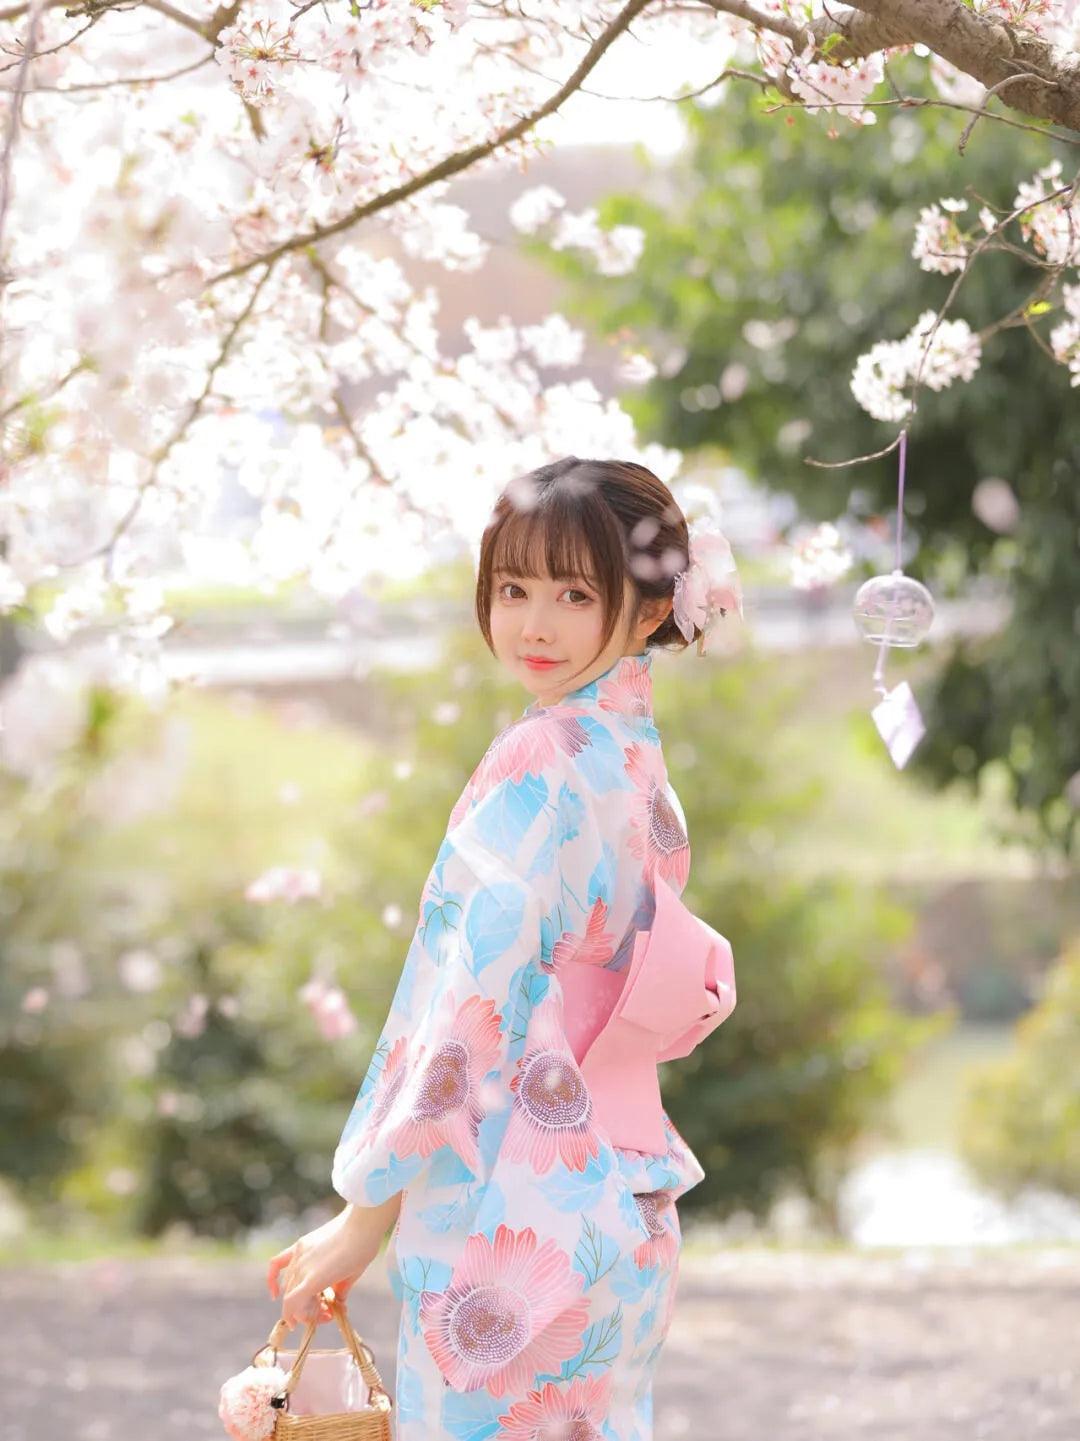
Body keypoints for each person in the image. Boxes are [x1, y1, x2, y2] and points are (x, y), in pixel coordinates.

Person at [266, 456, 740, 1441]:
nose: (534, 623)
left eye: (575, 593)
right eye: (514, 587)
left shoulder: (538, 756)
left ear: (650, 611)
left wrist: (368, 1208)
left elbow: (470, 998)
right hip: (628, 1203)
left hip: (515, 1218)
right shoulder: (632, 758)